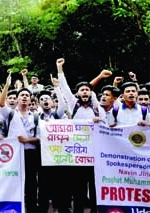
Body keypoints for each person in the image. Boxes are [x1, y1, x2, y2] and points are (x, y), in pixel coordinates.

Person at [57, 58, 105, 212]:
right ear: (77, 93)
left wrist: (99, 121)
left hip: (95, 153)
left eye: (87, 90)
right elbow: (64, 87)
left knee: (95, 184)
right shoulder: (73, 104)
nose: (85, 92)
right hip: (77, 153)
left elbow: (105, 125)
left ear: (91, 93)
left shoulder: (97, 107)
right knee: (79, 186)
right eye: (82, 90)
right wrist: (59, 69)